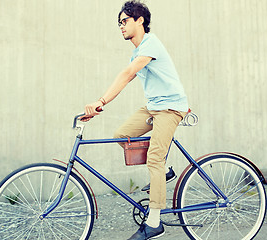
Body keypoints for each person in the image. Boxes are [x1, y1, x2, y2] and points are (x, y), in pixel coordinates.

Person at [81, 1, 189, 239]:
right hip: (153, 108)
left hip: (170, 108)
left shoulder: (152, 44)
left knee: (154, 158)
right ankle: (164, 170)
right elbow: (128, 76)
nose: (120, 26)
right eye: (119, 23)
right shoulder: (137, 51)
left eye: (124, 21)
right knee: (121, 136)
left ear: (140, 21)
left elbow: (127, 74)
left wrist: (101, 101)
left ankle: (154, 223)